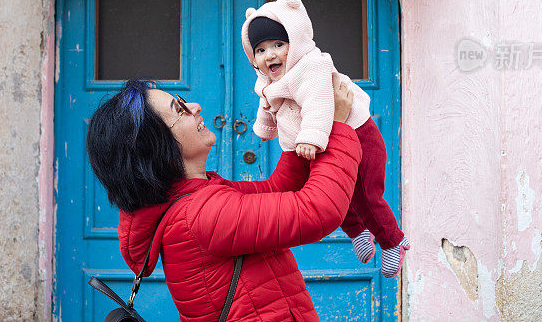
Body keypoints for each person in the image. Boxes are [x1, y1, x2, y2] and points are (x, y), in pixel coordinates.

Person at [86, 75, 361, 322]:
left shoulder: (197, 197)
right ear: (155, 146)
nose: (194, 107)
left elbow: (279, 190)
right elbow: (318, 210)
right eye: (179, 109)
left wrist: (302, 135)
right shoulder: (201, 214)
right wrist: (335, 126)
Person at [240, 0, 409, 278]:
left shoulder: (312, 66)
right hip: (319, 142)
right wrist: (265, 129)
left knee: (366, 194)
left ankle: (394, 241)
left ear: (296, 41)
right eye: (260, 49)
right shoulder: (270, 81)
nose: (270, 55)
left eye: (279, 45)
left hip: (357, 134)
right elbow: (267, 102)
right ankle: (357, 231)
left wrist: (311, 137)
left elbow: (319, 102)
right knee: (334, 195)